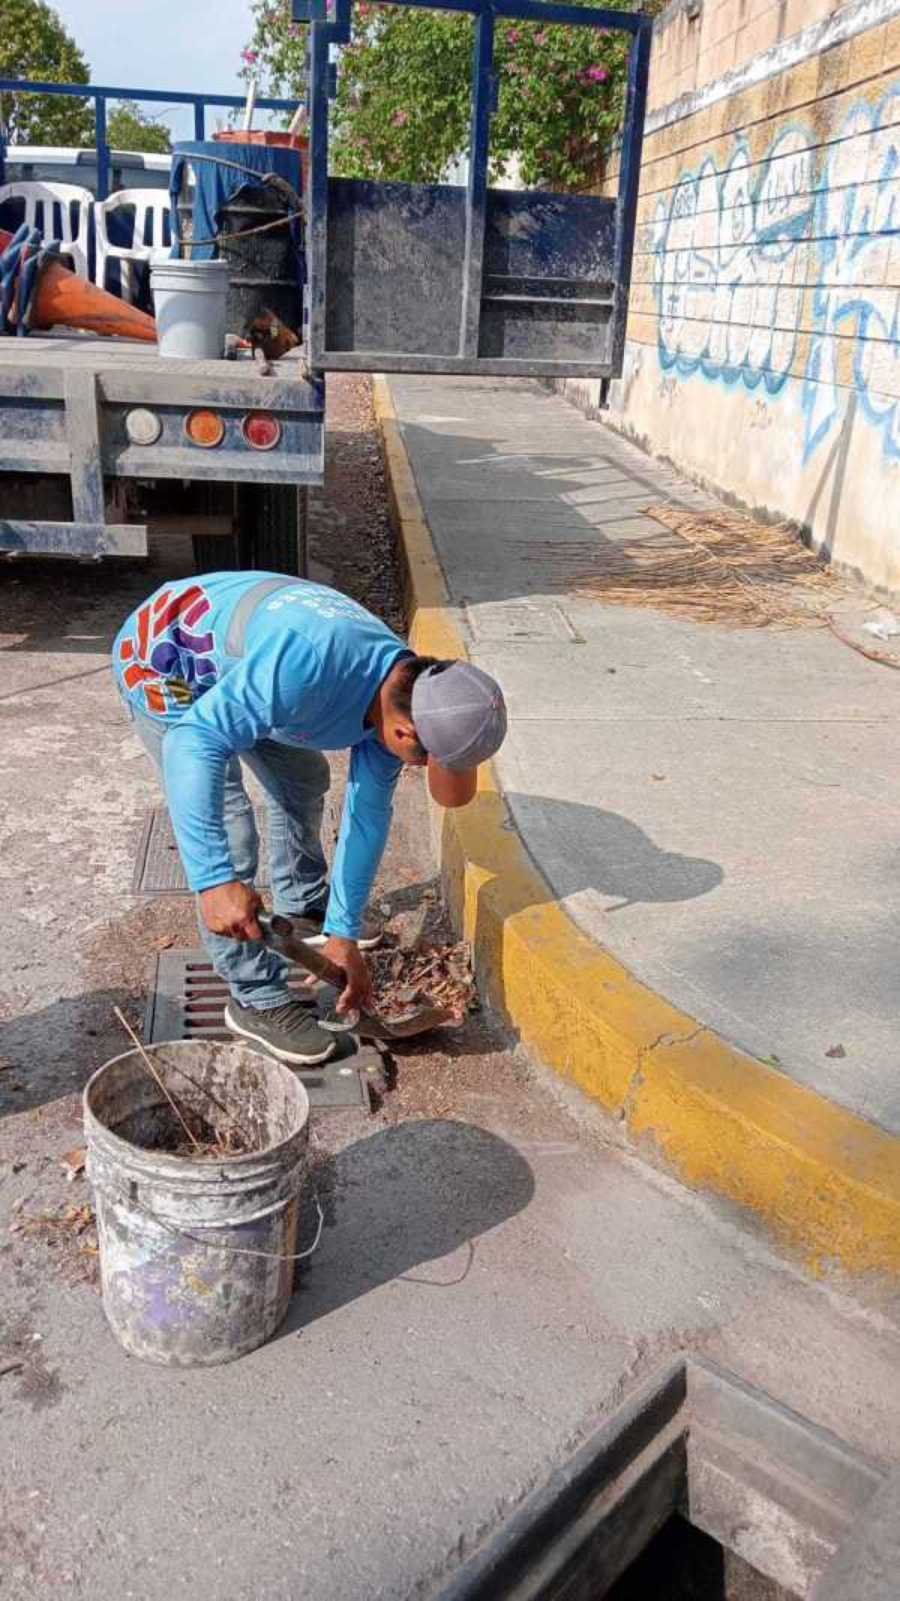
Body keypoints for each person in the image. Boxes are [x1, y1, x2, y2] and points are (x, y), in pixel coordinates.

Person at [113, 572, 507, 1066]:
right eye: (427, 761)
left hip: (247, 671)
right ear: (406, 733)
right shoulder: (306, 670)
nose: (424, 769)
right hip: (163, 663)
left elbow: (367, 817)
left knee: (301, 779)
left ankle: (302, 902)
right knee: (231, 829)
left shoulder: (403, 689)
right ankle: (255, 998)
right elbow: (194, 742)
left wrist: (342, 936)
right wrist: (213, 880)